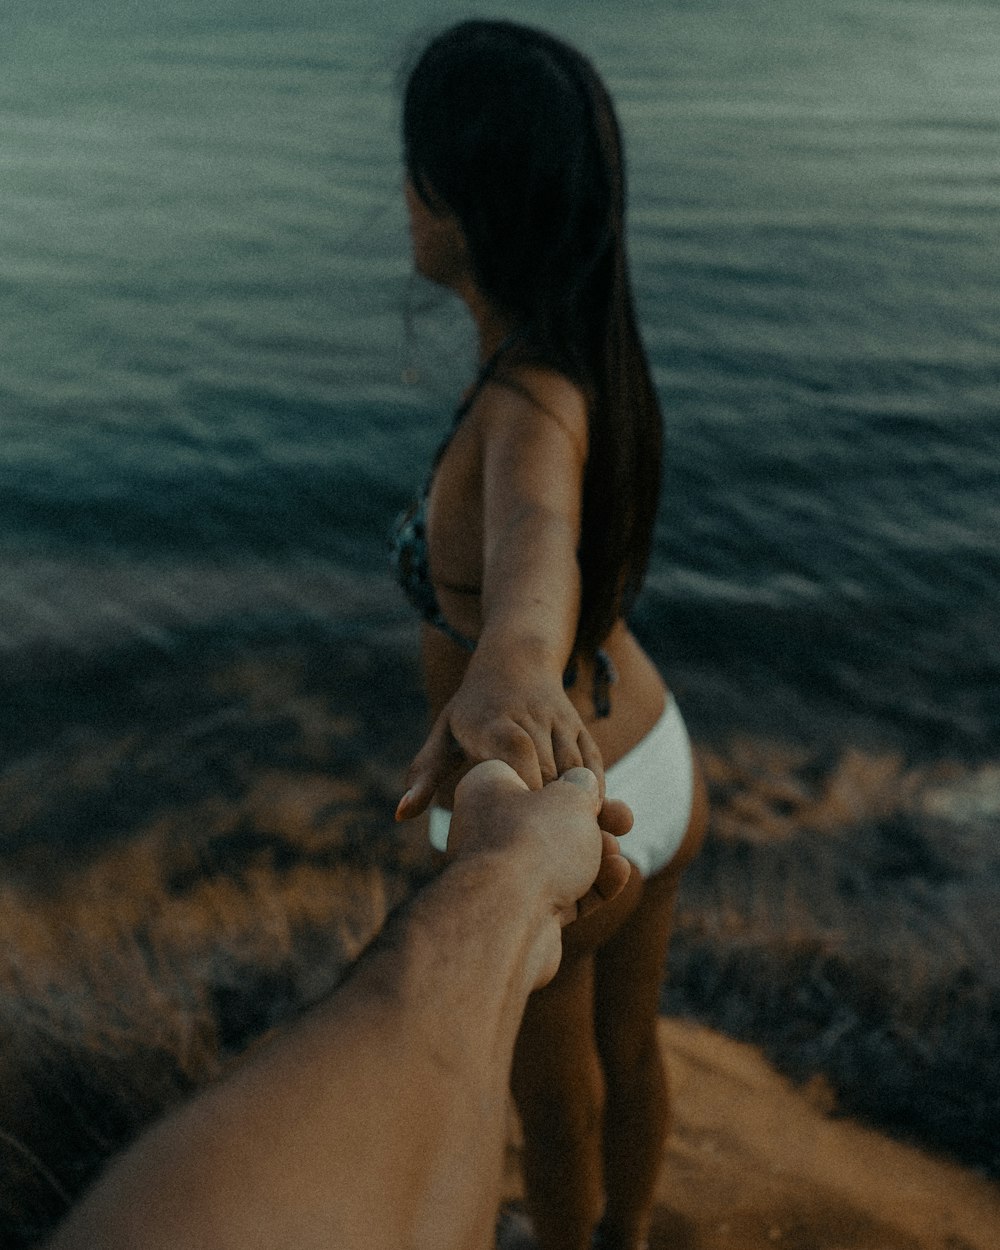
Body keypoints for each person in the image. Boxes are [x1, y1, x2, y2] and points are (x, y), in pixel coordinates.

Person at [390, 19, 708, 1250]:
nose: (404, 200)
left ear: (462, 204)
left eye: (413, 172)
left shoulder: (526, 407)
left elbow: (534, 537)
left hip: (561, 790)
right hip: (656, 751)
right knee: (629, 1041)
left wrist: (511, 661)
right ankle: (623, 1234)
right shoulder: (585, 360)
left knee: (549, 1082)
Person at [44, 763, 633, 1250]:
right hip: (645, 747)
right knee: (620, 1051)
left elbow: (523, 636)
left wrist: (514, 862)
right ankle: (626, 1233)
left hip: (540, 822)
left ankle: (517, 900)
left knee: (547, 1098)